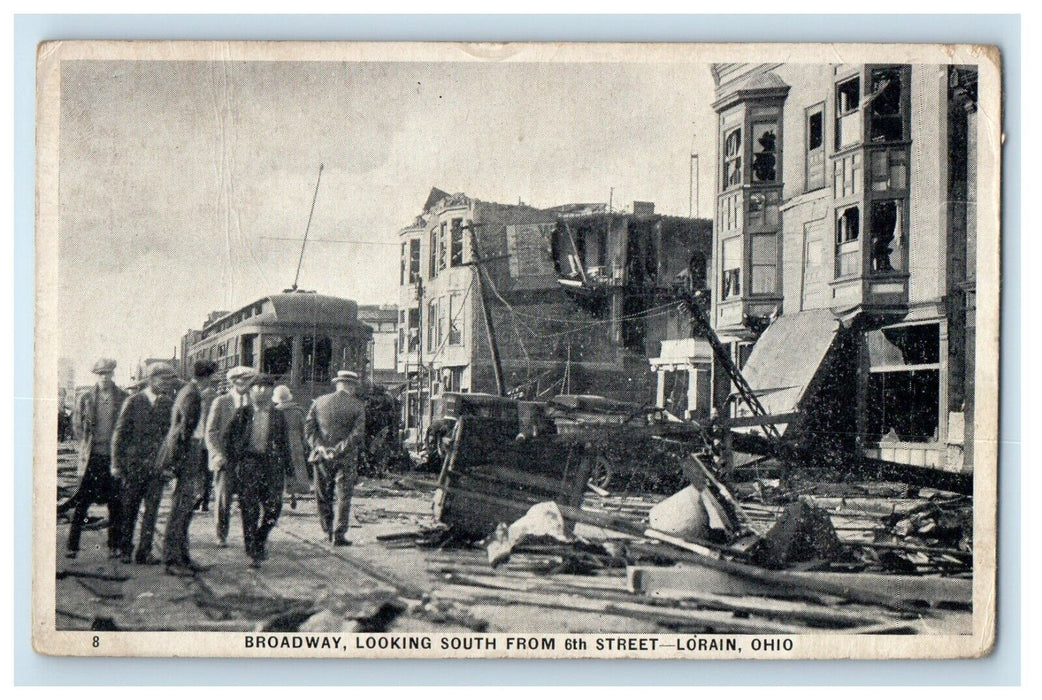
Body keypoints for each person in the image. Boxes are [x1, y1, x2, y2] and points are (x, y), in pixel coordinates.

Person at [223, 374, 291, 567]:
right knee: (249, 510)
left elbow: (286, 445)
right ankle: (253, 549)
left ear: (271, 391)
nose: (261, 391)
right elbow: (228, 440)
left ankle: (260, 538)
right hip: (249, 466)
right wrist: (235, 462)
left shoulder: (278, 415)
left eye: (266, 388)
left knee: (274, 509)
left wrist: (290, 473)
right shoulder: (242, 413)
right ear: (251, 391)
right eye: (257, 388)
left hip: (272, 467)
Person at [111, 362, 176, 565]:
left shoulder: (168, 404)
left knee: (152, 511)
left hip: (156, 467)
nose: (166, 383)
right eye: (162, 379)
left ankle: (144, 552)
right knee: (129, 509)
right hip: (133, 467)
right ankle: (124, 549)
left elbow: (170, 436)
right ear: (151, 379)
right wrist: (116, 463)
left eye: (169, 380)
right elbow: (119, 434)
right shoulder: (134, 401)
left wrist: (169, 465)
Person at [63, 358, 128, 560]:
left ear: (113, 374)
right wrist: (86, 444)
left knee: (115, 503)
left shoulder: (123, 397)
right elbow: (77, 425)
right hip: (92, 458)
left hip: (113, 458)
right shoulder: (86, 398)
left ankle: (113, 546)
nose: (105, 377)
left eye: (108, 373)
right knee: (83, 502)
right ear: (96, 375)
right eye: (101, 374)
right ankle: (72, 546)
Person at [159, 360, 218, 576]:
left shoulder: (188, 391)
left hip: (189, 454)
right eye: (212, 376)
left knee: (184, 509)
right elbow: (183, 432)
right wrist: (177, 463)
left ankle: (182, 557)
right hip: (188, 455)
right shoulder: (192, 395)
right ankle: (172, 560)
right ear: (207, 376)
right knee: (180, 510)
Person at [305, 370, 366, 546]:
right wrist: (338, 450)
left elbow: (309, 429)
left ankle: (327, 532)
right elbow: (357, 435)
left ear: (338, 384)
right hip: (345, 458)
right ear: (351, 386)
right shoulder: (357, 406)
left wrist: (320, 447)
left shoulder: (319, 402)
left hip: (321, 457)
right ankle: (339, 535)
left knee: (322, 495)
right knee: (343, 496)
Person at [204, 365, 256, 546]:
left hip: (247, 459)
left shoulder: (255, 402)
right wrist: (217, 454)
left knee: (249, 500)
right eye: (238, 381)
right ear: (233, 382)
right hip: (226, 458)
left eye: (246, 381)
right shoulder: (221, 402)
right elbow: (210, 432)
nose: (242, 384)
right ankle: (221, 535)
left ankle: (250, 538)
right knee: (223, 498)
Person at [273, 385, 310, 506]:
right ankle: (292, 493)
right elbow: (304, 429)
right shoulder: (297, 411)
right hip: (295, 442)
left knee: (280, 467)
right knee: (295, 466)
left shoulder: (275, 412)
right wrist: (304, 444)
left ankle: (280, 493)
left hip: (279, 442)